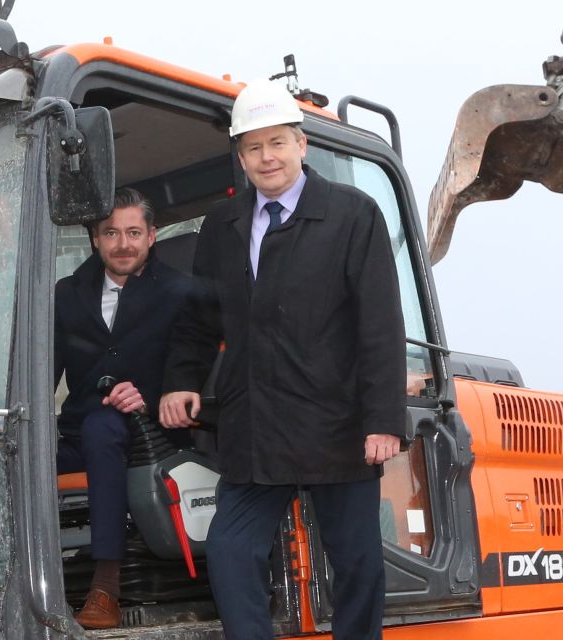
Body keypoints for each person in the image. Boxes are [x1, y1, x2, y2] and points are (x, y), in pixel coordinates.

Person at [158, 79, 406, 640]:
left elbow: (380, 324)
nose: (266, 157)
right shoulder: (222, 227)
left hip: (336, 426)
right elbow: (200, 318)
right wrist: (180, 381)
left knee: (358, 565)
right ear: (240, 157)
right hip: (257, 428)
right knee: (229, 551)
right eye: (252, 147)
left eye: (277, 143)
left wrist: (384, 420)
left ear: (302, 145)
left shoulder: (352, 215)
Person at [55, 187, 190, 629]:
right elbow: (43, 373)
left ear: (152, 236)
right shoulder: (67, 293)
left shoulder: (177, 292)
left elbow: (193, 366)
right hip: (82, 435)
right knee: (13, 451)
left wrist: (151, 397)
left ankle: (105, 586)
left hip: (156, 434)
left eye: (134, 232)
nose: (123, 243)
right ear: (95, 238)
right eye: (111, 233)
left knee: (102, 427)